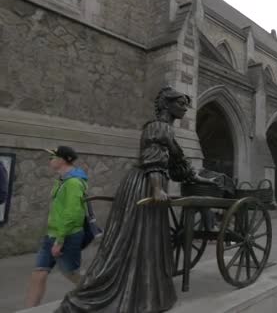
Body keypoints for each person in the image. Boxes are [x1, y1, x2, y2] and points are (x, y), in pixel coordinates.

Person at [56, 87, 221, 312]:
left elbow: (180, 168)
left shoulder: (164, 130)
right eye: (180, 103)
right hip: (145, 186)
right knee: (130, 240)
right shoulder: (159, 127)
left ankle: (143, 294)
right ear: (166, 105)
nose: (185, 108)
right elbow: (154, 160)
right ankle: (107, 294)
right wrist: (156, 189)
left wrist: (207, 180)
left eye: (185, 104)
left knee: (138, 241)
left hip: (145, 184)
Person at [25, 146, 88, 308]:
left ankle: (97, 292)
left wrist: (60, 241)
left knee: (71, 273)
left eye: (53, 157)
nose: (50, 160)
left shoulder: (73, 183)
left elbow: (73, 214)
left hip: (67, 236)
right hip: (52, 234)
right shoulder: (61, 180)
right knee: (39, 272)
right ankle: (30, 310)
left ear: (63, 160)